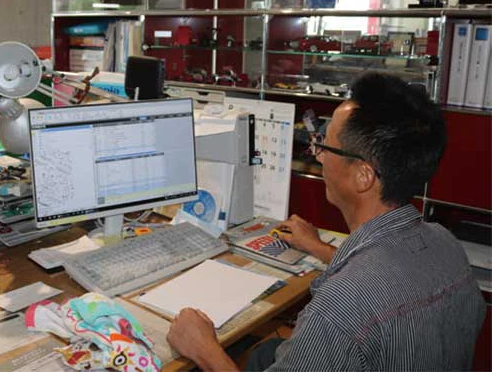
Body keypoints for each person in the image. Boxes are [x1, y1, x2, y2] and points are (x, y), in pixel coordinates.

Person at [166, 72, 486, 371]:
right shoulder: (446, 245)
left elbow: (358, 299)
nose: (317, 155)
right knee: (269, 351)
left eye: (324, 146)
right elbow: (388, 279)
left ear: (363, 176)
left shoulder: (339, 307)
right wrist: (319, 248)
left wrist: (204, 349)